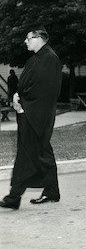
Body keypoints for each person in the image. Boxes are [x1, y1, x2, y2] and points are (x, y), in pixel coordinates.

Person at [0, 28, 62, 210]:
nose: (25, 41)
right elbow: (29, 83)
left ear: (40, 38)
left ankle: (14, 197)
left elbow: (46, 90)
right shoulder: (38, 58)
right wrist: (18, 95)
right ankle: (52, 191)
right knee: (42, 151)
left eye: (28, 38)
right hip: (31, 112)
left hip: (36, 115)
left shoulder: (49, 59)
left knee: (27, 154)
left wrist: (23, 102)